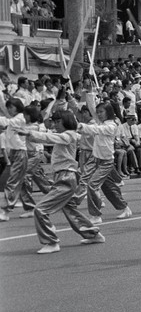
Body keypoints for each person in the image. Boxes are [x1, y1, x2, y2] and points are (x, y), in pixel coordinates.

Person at [14, 109, 105, 253]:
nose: (55, 124)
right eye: (54, 121)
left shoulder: (70, 135)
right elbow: (49, 136)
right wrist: (29, 133)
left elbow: (49, 138)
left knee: (41, 209)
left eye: (58, 121)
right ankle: (93, 234)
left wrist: (30, 134)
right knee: (69, 209)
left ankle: (51, 242)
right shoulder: (65, 135)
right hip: (63, 177)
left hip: (66, 178)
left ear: (67, 121)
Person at [0, 96, 27, 221]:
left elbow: (6, 122)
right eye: (8, 108)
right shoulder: (15, 118)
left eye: (11, 107)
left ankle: (5, 211)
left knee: (11, 182)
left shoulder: (20, 118)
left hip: (20, 153)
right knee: (22, 182)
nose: (9, 110)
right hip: (15, 153)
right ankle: (31, 206)